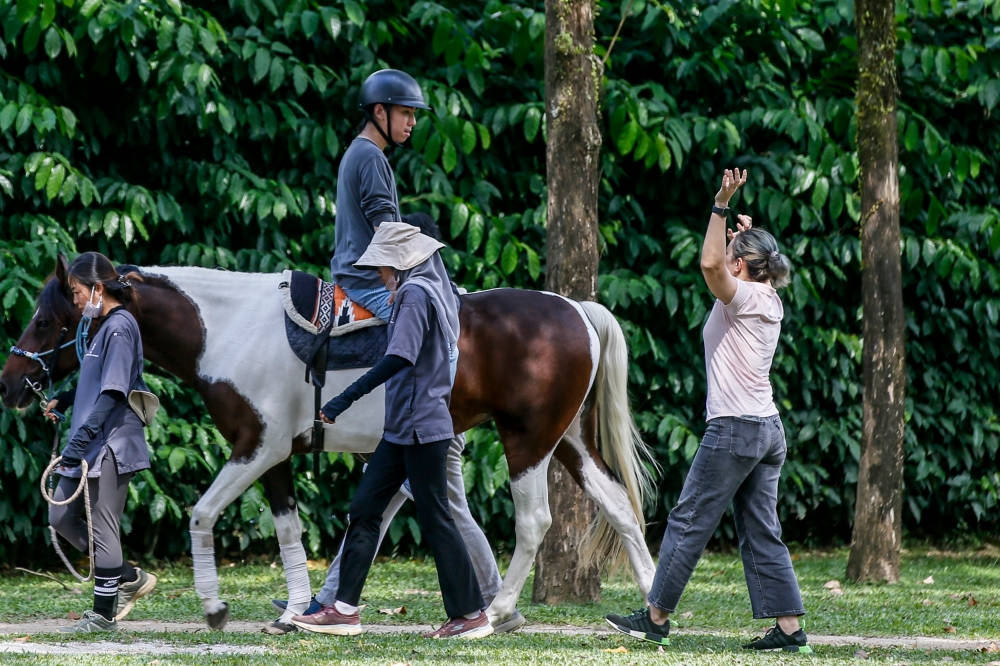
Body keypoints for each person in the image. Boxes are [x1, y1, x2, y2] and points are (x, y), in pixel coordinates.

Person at [278, 213, 522, 633]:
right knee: (365, 509)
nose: (379, 274)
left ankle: (469, 615)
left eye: (383, 266)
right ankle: (343, 609)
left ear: (400, 262)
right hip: (401, 428)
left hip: (422, 429)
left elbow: (400, 357)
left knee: (437, 518)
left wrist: (343, 398)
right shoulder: (430, 289)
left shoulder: (415, 294)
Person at [605, 169, 811, 653]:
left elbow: (709, 264)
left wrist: (719, 206)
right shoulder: (765, 295)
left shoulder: (742, 296)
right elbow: (723, 261)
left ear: (741, 266)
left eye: (734, 259)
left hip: (736, 428)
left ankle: (655, 619)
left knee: (689, 518)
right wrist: (735, 236)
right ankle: (788, 629)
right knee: (762, 529)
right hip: (766, 429)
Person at [45, 252, 158, 633]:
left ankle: (103, 615)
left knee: (102, 527)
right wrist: (65, 396)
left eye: (76, 292)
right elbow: (92, 381)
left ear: (96, 288)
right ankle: (127, 576)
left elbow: (113, 394)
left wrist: (77, 445)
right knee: (60, 516)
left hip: (109, 444)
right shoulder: (100, 328)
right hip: (87, 444)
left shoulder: (121, 327)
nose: (75, 301)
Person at [330, 68, 427, 321]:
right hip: (369, 283)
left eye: (414, 114)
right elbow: (383, 229)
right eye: (406, 113)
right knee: (440, 342)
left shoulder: (359, 151)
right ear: (380, 111)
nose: (412, 122)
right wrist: (393, 286)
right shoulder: (370, 156)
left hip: (356, 277)